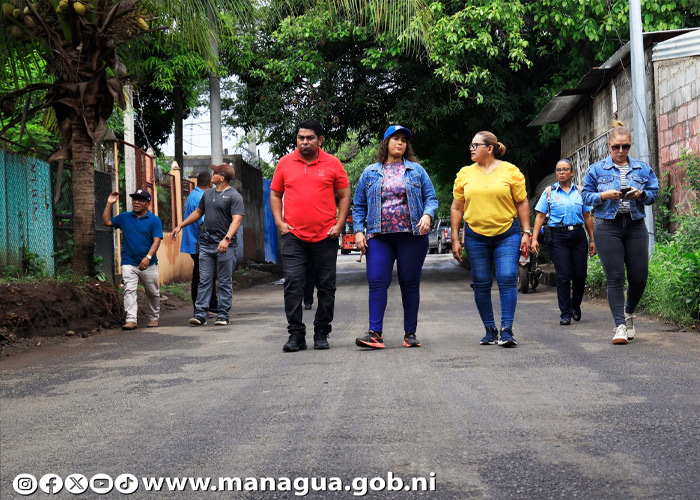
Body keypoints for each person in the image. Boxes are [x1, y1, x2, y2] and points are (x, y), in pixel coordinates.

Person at [353, 125, 438, 349]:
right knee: (377, 281)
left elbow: (431, 198)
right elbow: (359, 205)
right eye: (395, 139)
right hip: (379, 236)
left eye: (403, 140)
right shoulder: (370, 172)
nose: (400, 143)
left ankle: (410, 333)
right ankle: (375, 334)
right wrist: (359, 231)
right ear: (386, 143)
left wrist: (428, 215)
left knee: (410, 283)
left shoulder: (417, 171)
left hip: (412, 235)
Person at [270, 119, 351, 352]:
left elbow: (344, 195)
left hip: (326, 235)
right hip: (293, 236)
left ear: (320, 140)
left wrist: (339, 223)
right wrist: (279, 222)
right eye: (300, 138)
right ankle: (296, 334)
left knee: (326, 286)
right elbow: (276, 194)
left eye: (310, 138)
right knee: (293, 283)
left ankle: (321, 332)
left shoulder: (333, 164)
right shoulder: (285, 163)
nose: (304, 142)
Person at [450, 131, 531, 347]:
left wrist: (526, 232)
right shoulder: (465, 174)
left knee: (506, 277)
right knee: (481, 283)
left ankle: (506, 330)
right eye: (471, 145)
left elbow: (522, 202)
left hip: (508, 233)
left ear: (490, 148)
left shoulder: (510, 171)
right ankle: (489, 329)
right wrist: (455, 238)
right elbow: (457, 207)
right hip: (476, 236)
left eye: (476, 145)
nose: (472, 148)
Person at [581, 120, 659, 344]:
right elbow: (585, 197)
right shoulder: (596, 170)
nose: (621, 151)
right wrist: (605, 196)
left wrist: (640, 195)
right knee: (615, 278)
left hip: (635, 225)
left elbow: (654, 193)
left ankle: (628, 312)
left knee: (639, 277)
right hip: (607, 225)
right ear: (609, 145)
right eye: (616, 147)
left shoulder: (643, 169)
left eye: (625, 146)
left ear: (630, 145)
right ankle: (620, 327)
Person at [172, 163, 245, 327]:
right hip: (206, 244)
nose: (212, 174)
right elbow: (198, 213)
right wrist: (180, 226)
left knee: (224, 281)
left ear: (222, 177)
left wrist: (226, 239)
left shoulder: (234, 196)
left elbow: (237, 220)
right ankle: (200, 314)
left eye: (215, 172)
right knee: (204, 280)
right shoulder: (208, 194)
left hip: (225, 246)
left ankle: (223, 315)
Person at [532, 159, 596, 325]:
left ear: (572, 172)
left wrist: (592, 239)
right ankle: (565, 313)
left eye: (565, 169)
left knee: (580, 274)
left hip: (578, 235)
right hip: (558, 236)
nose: (561, 173)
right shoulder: (549, 192)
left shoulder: (580, 192)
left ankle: (575, 305)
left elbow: (587, 216)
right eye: (558, 170)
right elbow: (539, 216)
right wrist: (534, 238)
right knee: (564, 274)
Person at [102, 189, 163, 330]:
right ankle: (131, 319)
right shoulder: (124, 217)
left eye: (141, 200)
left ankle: (154, 317)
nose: (136, 202)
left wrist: (148, 257)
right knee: (129, 290)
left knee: (152, 291)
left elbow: (157, 241)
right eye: (134, 199)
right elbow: (106, 222)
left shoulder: (154, 220)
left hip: (149, 263)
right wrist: (109, 203)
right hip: (129, 261)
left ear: (148, 203)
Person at [180, 172, 218, 316]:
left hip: (196, 242)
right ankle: (201, 308)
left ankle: (210, 306)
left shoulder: (194, 195)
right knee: (202, 276)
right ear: (209, 184)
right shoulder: (200, 197)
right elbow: (202, 223)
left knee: (207, 275)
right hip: (199, 242)